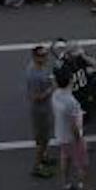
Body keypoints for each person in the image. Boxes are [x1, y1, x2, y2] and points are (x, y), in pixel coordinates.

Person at [26, 43, 59, 179]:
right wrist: (52, 89)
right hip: (40, 111)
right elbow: (35, 97)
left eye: (45, 55)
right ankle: (37, 166)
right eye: (41, 56)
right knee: (42, 140)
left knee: (45, 137)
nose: (45, 58)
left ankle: (44, 157)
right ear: (35, 57)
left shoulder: (40, 68)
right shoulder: (34, 75)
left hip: (45, 108)